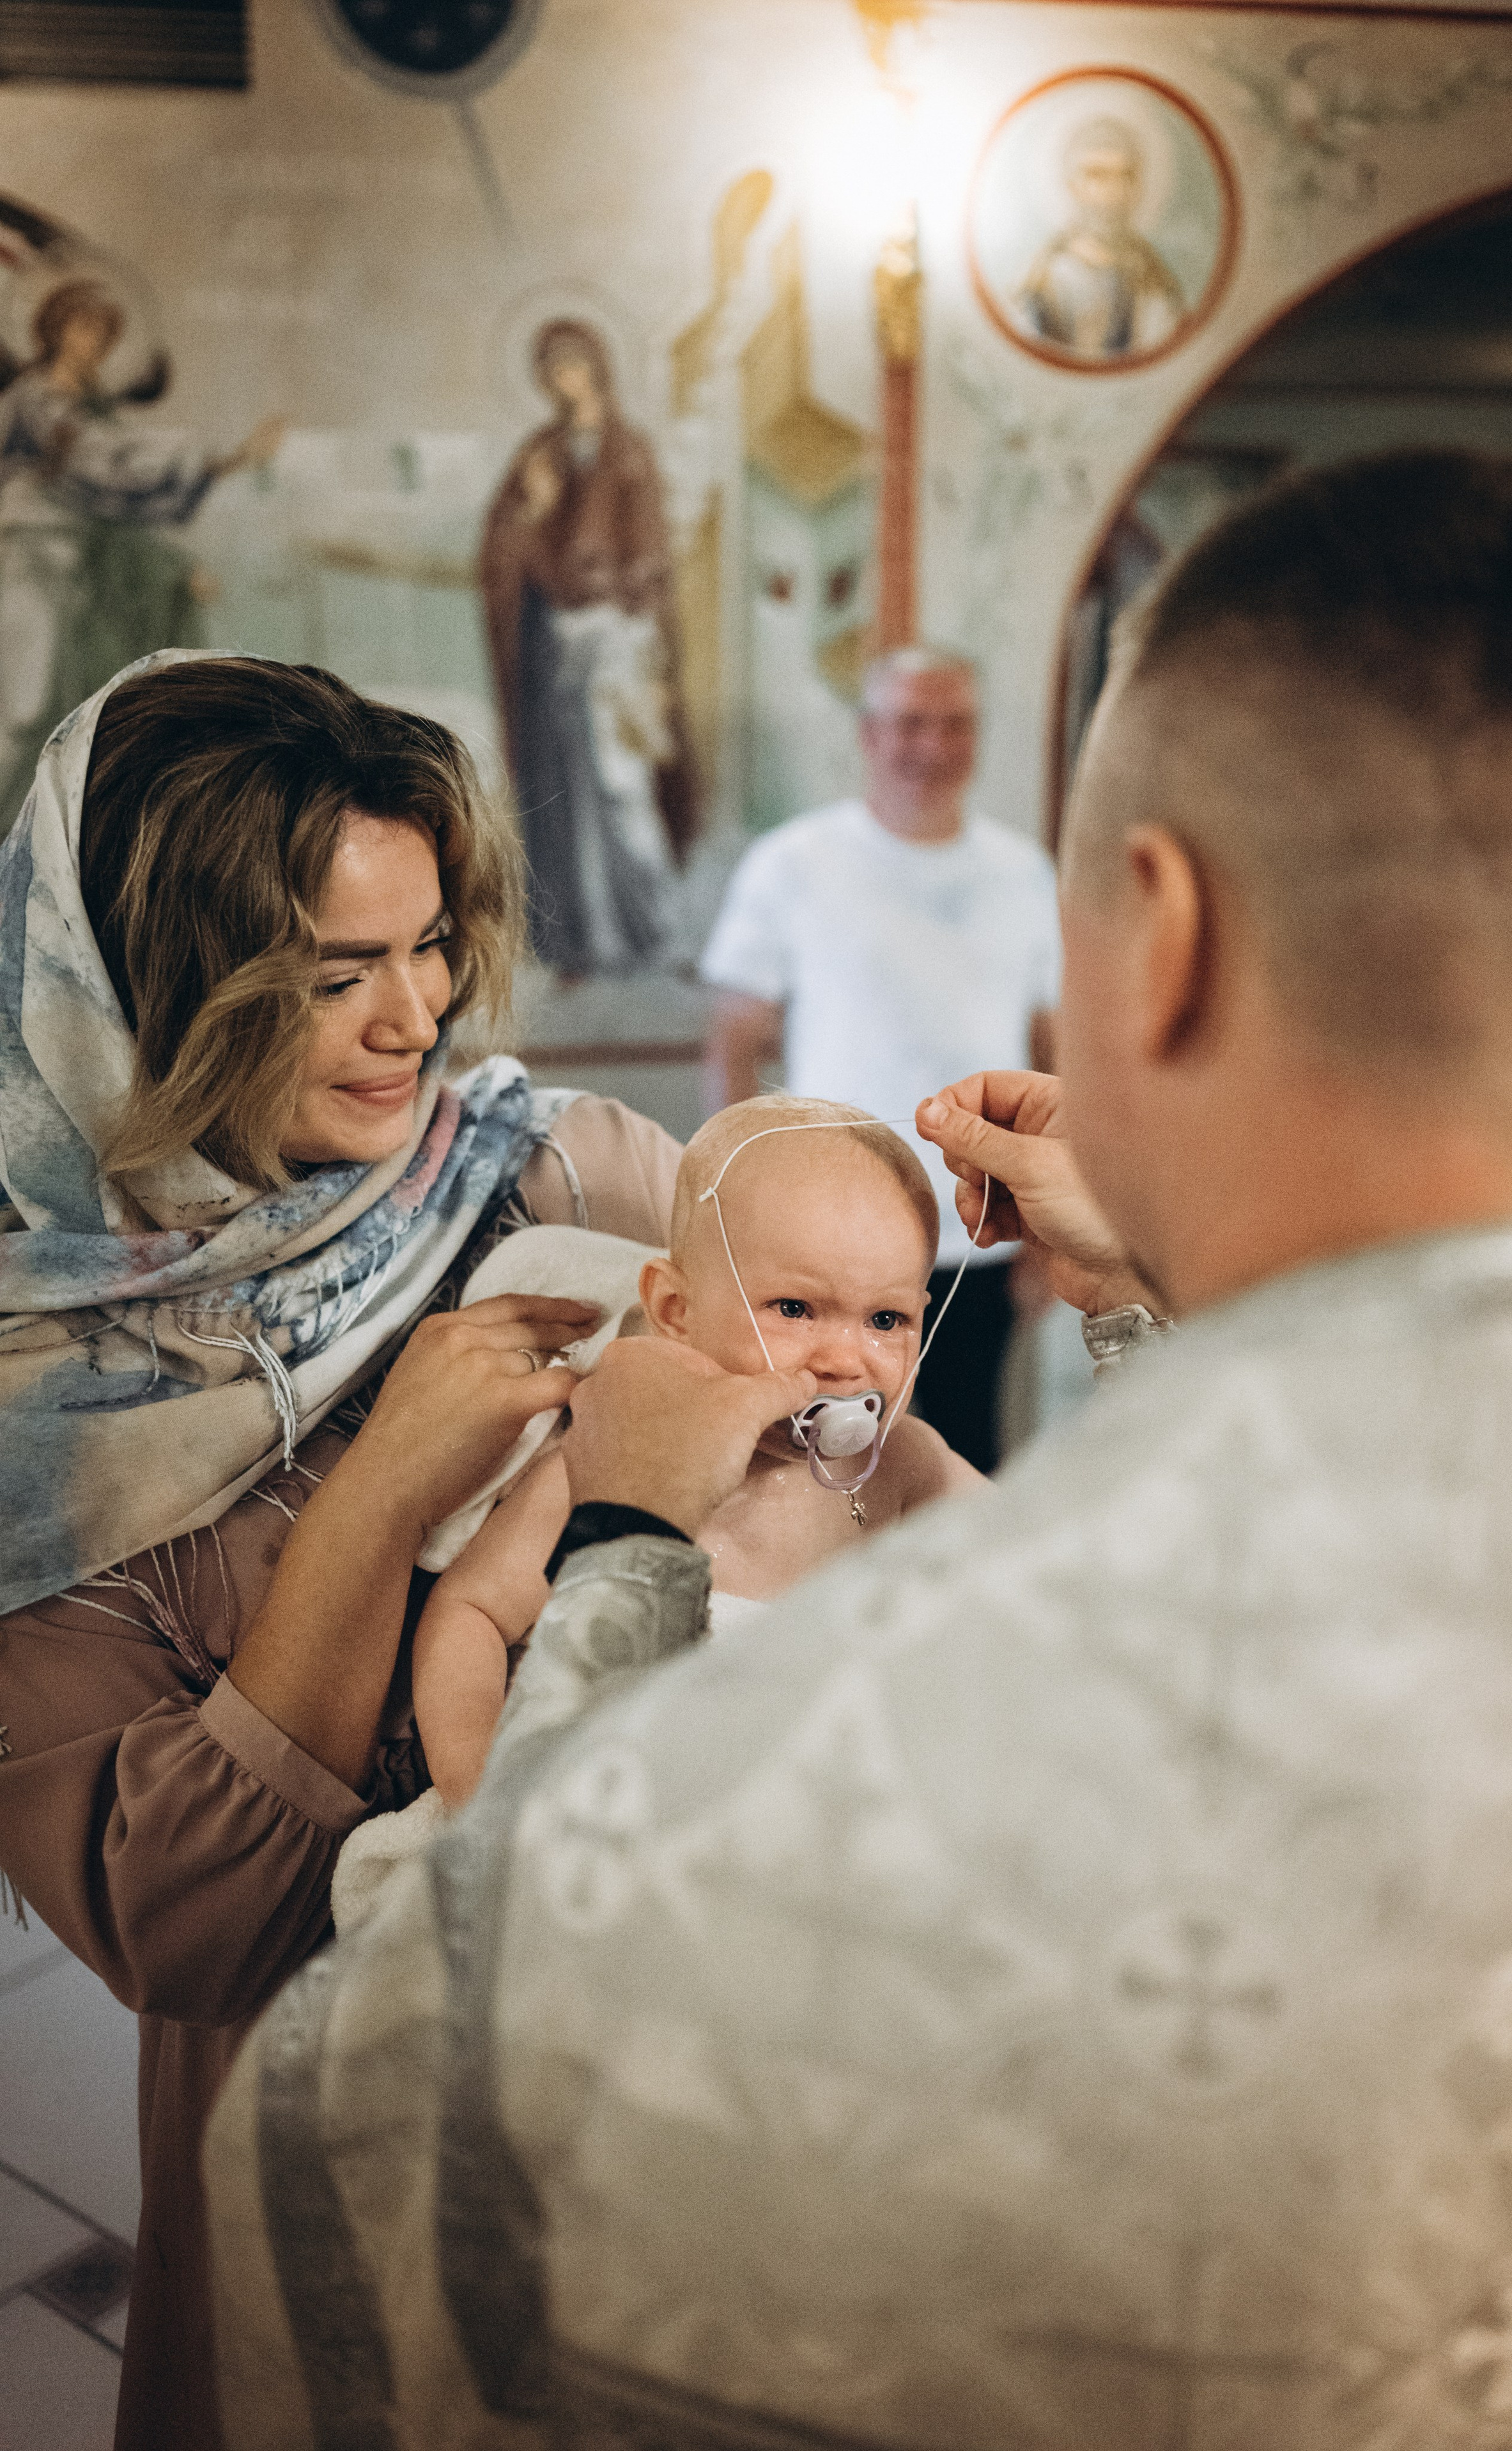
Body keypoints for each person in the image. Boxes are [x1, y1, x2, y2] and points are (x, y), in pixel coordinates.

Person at [209, 448, 1512, 2448]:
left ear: (1159, 933)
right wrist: (1152, 1292)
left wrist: (624, 1542)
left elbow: (381, 2123)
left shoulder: (833, 1771)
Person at [0, 651, 686, 2451]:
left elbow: (859, 1418)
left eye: (432, 940)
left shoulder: (554, 1180)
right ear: (151, 993)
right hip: (322, 2172)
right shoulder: (31, 1407)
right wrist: (380, 1496)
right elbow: (188, 1926)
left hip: (668, 2106)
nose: (419, 1015)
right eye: (334, 972)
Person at [409, 1095, 980, 1807]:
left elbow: (1040, 1546)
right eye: (795, 1309)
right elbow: (472, 1613)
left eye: (886, 1320)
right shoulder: (615, 1463)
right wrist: (478, 1787)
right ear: (675, 1312)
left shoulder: (906, 1464)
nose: (845, 1359)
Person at [702, 646, 1060, 1473]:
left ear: (977, 738)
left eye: (954, 724)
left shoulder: (1024, 873)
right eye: (910, 722)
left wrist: (1045, 1233)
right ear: (869, 734)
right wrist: (734, 1204)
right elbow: (733, 1042)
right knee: (822, 1464)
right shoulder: (794, 864)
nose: (931, 745)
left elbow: (1052, 1051)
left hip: (982, 1227)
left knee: (969, 1457)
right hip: (833, 1234)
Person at [0, 279, 284, 833]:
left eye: (104, 334)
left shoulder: (88, 409)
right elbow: (107, 466)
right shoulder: (38, 399)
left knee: (67, 715)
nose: (94, 344)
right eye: (84, 328)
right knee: (22, 709)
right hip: (28, 564)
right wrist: (220, 457)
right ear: (54, 330)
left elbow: (120, 501)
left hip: (77, 573)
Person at [478, 316, 697, 978]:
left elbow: (652, 554)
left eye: (574, 364)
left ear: (599, 366)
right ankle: (575, 941)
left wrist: (651, 652)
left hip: (618, 638)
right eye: (552, 369)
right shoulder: (539, 452)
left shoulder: (629, 450)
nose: (564, 379)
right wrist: (535, 509)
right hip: (559, 644)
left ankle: (656, 935)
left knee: (622, 788)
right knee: (562, 792)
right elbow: (504, 543)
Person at [1015, 114, 1186, 361]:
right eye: (1097, 175)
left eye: (1125, 175)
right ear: (1073, 186)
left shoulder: (1153, 281)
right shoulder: (1044, 280)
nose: (1113, 191)